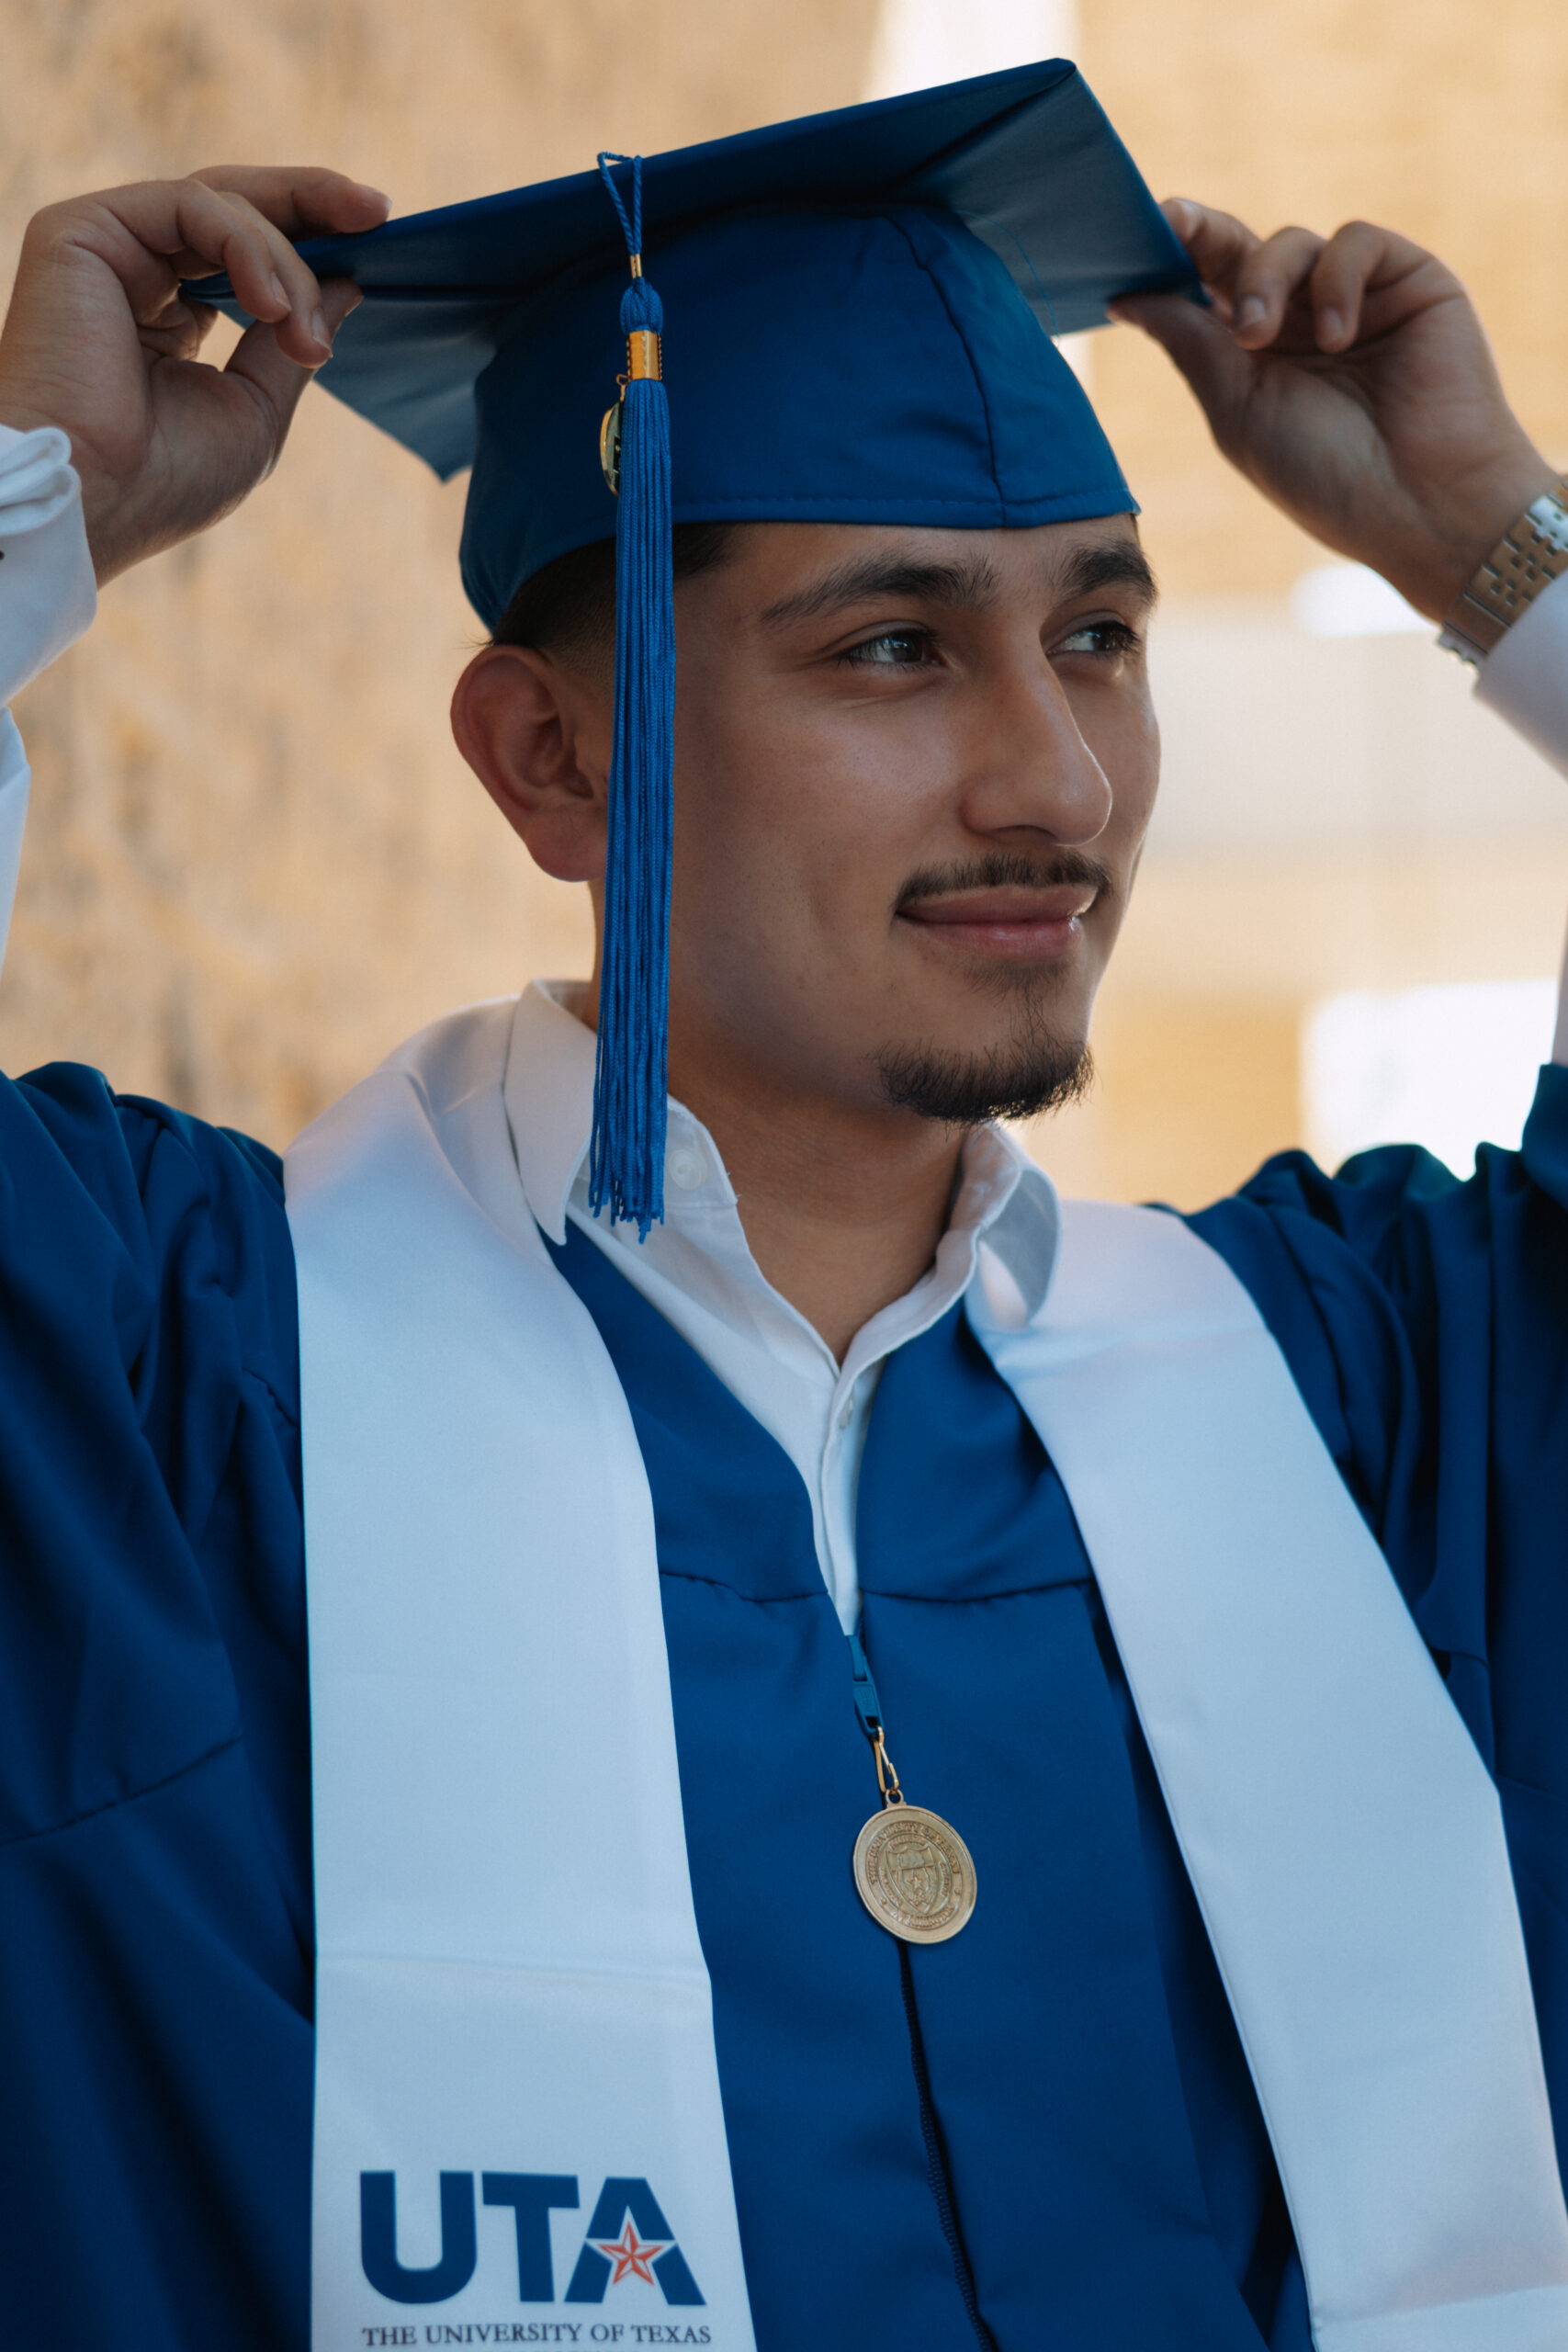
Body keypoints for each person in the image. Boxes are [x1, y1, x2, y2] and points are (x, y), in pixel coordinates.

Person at [1, 58, 1566, 2352]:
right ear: (551, 759)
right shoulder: (165, 1393)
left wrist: (1493, 545)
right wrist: (35, 505)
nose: (1054, 780)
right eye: (891, 647)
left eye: (1098, 637)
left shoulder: (1359, 1397)